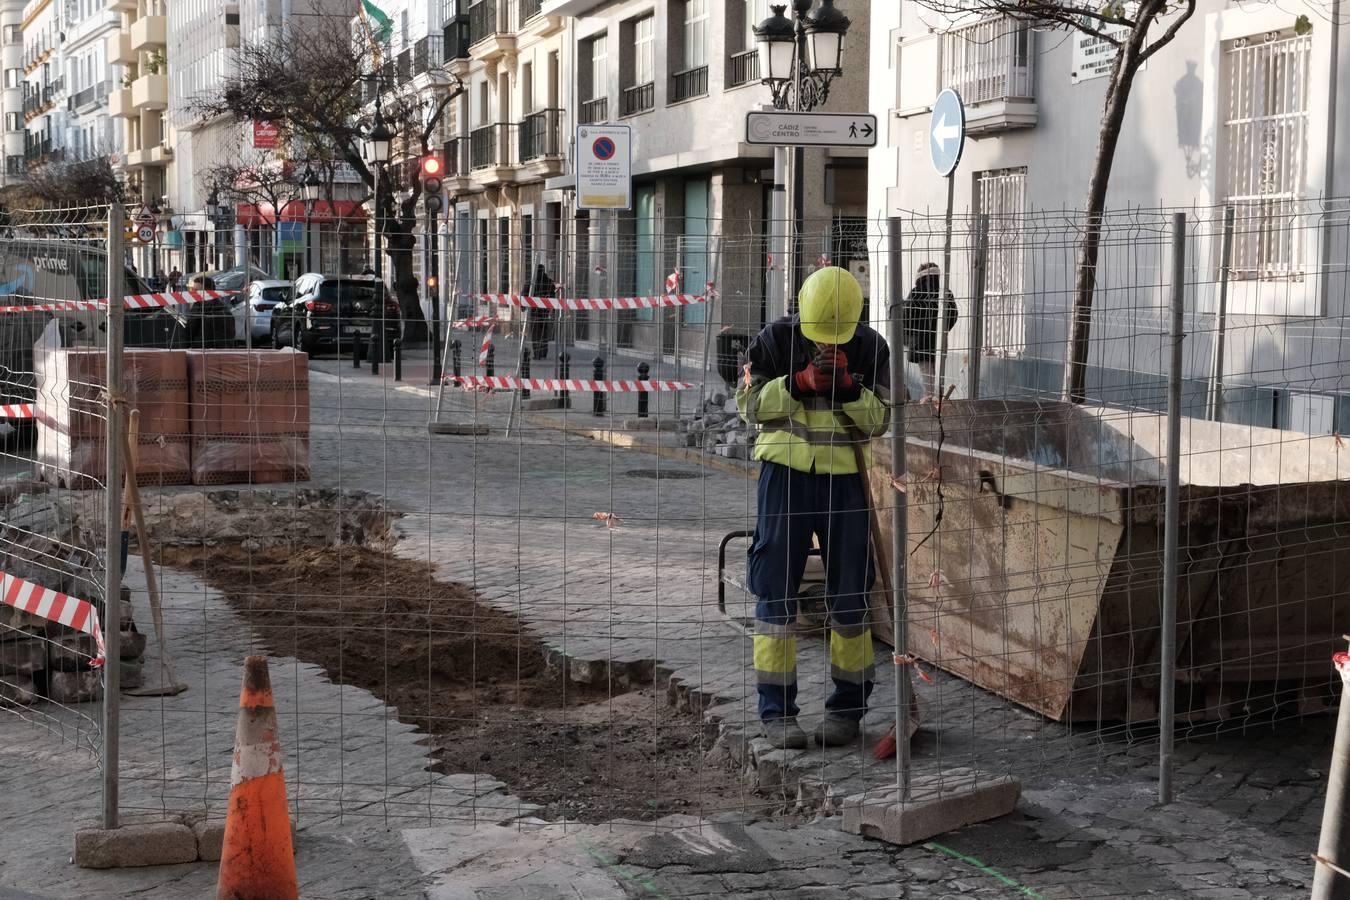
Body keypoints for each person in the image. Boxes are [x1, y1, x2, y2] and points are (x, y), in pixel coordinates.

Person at [735, 266, 891, 749]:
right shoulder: (774, 339)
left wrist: (849, 391)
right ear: (800, 311)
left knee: (849, 597)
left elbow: (882, 420)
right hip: (786, 479)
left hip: (846, 484)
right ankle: (777, 712)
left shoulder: (872, 346)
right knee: (775, 595)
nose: (827, 343)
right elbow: (747, 406)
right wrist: (797, 383)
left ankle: (847, 710)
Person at [903, 263, 957, 400]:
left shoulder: (915, 294)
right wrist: (942, 331)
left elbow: (905, 318)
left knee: (929, 383)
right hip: (939, 344)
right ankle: (936, 404)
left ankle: (930, 407)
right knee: (939, 379)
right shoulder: (945, 292)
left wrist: (914, 333)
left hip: (921, 345)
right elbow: (953, 315)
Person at [526, 262, 556, 361]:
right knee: (544, 333)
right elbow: (552, 296)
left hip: (534, 312)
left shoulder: (531, 282)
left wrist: (523, 307)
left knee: (536, 334)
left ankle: (537, 353)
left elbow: (524, 294)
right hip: (544, 312)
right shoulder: (548, 281)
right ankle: (543, 352)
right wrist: (552, 309)